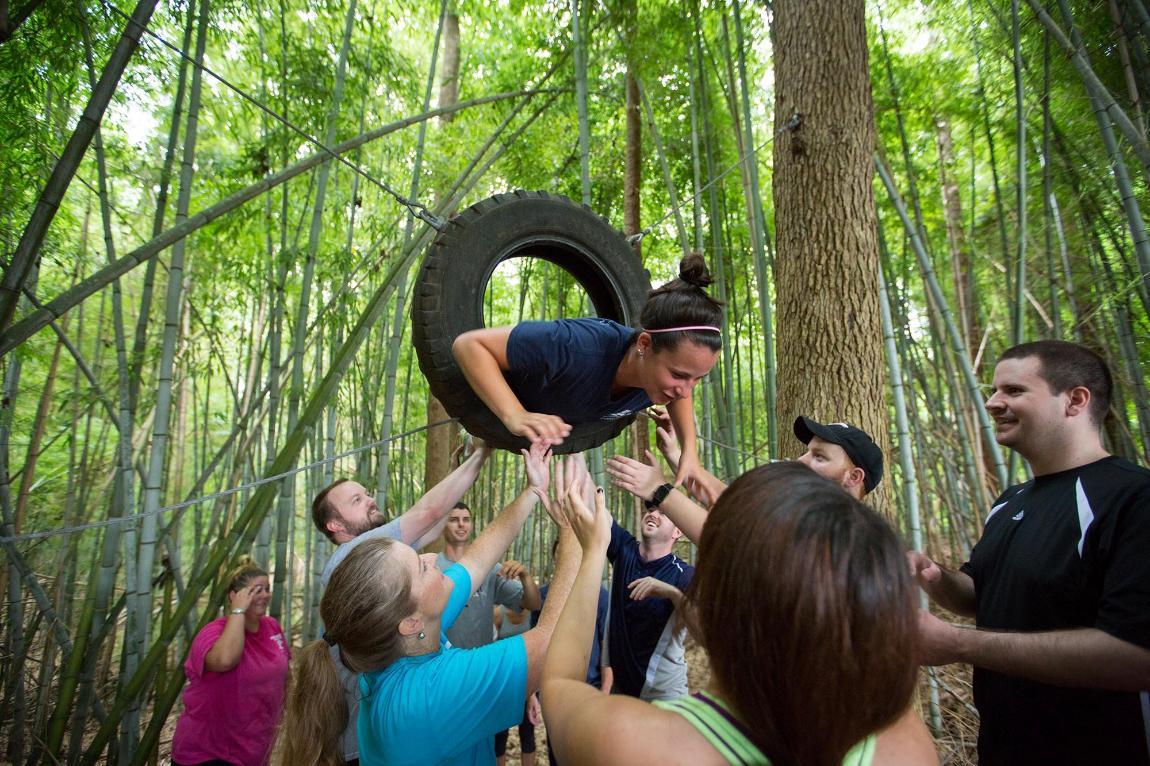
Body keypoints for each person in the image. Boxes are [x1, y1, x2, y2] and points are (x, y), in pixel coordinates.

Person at [542, 461, 937, 766]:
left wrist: (591, 549)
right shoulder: (906, 744)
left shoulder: (639, 744)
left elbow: (559, 684)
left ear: (718, 604)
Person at [908, 340, 1150, 765]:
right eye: (994, 390)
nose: (991, 402)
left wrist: (959, 644)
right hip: (1005, 746)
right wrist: (934, 576)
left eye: (1013, 391)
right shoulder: (1011, 500)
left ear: (1075, 401)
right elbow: (978, 593)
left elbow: (1135, 655)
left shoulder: (1132, 498)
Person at [278, 447, 584, 766]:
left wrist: (532, 491)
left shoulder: (403, 638)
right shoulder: (433, 694)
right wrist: (574, 533)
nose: (429, 556)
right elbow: (550, 642)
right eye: (420, 567)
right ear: (410, 621)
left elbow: (477, 560)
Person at [452, 252, 724, 486]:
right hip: (494, 395)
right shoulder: (574, 346)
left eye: (697, 379)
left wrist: (690, 451)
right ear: (644, 344)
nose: (685, 391)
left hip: (562, 408)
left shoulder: (659, 379)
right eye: (678, 375)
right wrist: (515, 415)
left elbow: (681, 392)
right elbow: (468, 346)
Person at [310, 442, 492, 764]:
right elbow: (428, 514)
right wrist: (483, 451)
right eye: (357, 500)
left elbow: (435, 523)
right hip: (359, 735)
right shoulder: (351, 558)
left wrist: (459, 469)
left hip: (381, 724)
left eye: (366, 493)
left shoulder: (374, 553)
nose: (370, 500)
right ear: (335, 526)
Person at [607, 413, 883, 541]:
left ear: (854, 477)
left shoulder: (838, 536)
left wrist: (660, 492)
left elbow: (731, 539)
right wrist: (677, 456)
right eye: (807, 452)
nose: (800, 461)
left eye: (819, 457)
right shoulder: (804, 516)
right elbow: (732, 504)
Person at [172, 559, 290, 766]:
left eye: (267, 589)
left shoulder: (272, 627)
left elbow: (283, 673)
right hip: (208, 751)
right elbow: (225, 660)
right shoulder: (213, 632)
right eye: (256, 590)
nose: (265, 595)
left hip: (254, 748)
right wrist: (238, 612)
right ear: (234, 596)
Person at [602, 497, 693, 700]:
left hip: (664, 695)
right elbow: (597, 508)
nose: (652, 514)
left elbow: (699, 623)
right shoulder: (624, 550)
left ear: (677, 532)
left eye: (663, 513)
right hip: (622, 690)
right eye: (650, 509)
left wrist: (671, 593)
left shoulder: (684, 574)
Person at [437, 502, 542, 650]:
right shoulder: (432, 567)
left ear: (471, 525)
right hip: (443, 660)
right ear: (442, 526)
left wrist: (525, 576)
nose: (461, 524)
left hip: (480, 662)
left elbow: (533, 604)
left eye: (466, 519)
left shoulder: (489, 568)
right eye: (454, 520)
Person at [492, 605, 540, 766]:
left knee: (527, 735)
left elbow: (536, 654)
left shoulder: (534, 613)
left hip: (528, 682)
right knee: (499, 737)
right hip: (503, 684)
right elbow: (491, 649)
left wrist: (533, 691)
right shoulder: (498, 613)